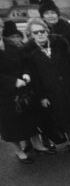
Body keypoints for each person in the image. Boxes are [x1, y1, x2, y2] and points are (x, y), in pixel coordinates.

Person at [24, 18, 70, 150]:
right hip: (51, 90)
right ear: (31, 35)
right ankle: (69, 139)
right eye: (36, 32)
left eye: (42, 31)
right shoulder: (29, 53)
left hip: (69, 86)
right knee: (61, 115)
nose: (40, 34)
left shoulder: (60, 44)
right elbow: (35, 78)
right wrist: (42, 97)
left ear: (47, 31)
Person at [0, 29, 37, 163]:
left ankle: (35, 144)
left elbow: (25, 61)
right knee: (9, 124)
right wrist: (13, 81)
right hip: (3, 92)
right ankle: (19, 151)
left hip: (21, 87)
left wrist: (26, 73)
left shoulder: (11, 43)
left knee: (28, 117)